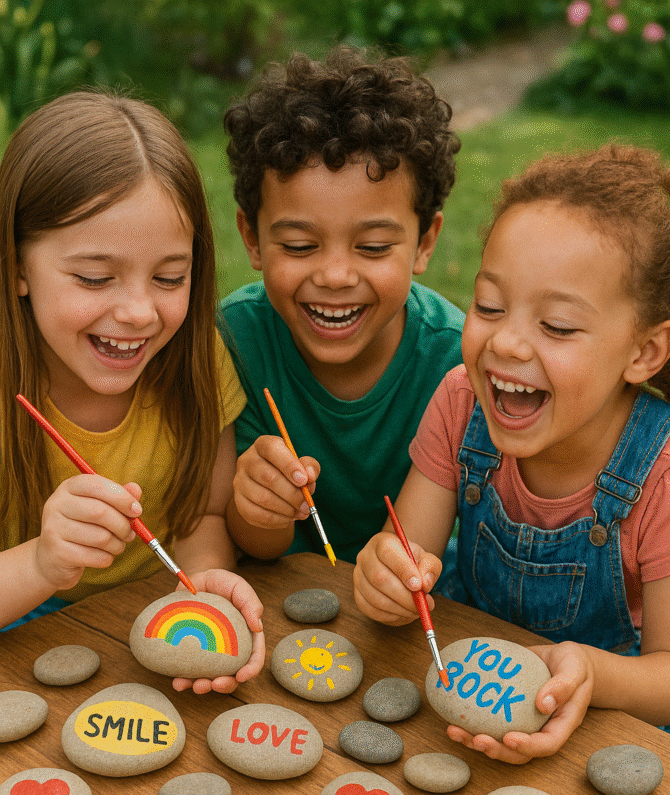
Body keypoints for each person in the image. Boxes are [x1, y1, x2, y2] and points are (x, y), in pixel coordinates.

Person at [354, 143, 670, 761]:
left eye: (556, 326)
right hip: (464, 698)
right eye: (489, 306)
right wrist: (386, 577)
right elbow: (406, 551)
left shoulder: (668, 476)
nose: (505, 342)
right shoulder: (461, 402)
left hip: (613, 722)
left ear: (644, 352)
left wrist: (590, 672)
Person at [0, 91, 264, 694]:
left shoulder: (196, 358)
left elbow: (203, 514)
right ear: (16, 265)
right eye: (95, 278)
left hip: (159, 619)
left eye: (170, 277)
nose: (140, 312)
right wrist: (42, 563)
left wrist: (203, 585)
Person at [219, 46, 465, 565]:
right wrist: (258, 508)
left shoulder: (457, 362)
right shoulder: (235, 342)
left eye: (372, 247)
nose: (335, 276)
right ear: (253, 239)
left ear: (425, 243)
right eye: (299, 246)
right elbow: (252, 542)